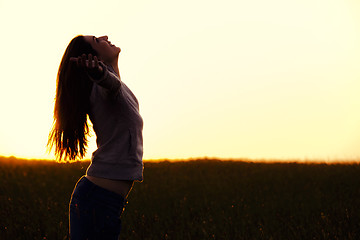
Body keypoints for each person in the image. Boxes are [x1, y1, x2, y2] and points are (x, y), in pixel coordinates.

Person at [47, 35, 143, 239]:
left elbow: (113, 84)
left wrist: (101, 72)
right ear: (94, 59)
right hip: (97, 201)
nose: (105, 37)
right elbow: (108, 84)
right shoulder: (101, 86)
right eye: (98, 41)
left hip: (105, 202)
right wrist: (98, 73)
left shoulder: (116, 86)